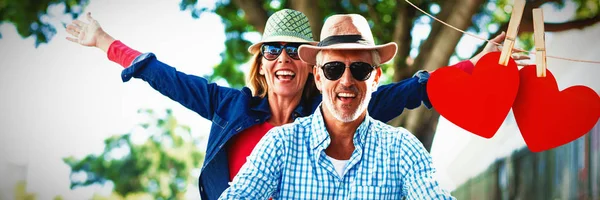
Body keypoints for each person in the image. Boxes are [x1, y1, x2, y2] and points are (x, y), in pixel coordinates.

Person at [66, 9, 522, 199]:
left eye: (292, 50)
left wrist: (476, 66)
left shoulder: (338, 106)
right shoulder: (229, 108)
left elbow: (414, 89)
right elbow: (163, 76)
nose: (282, 57)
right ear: (261, 64)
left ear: (309, 68)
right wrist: (105, 41)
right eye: (271, 50)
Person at [219, 14, 455, 199]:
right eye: (333, 69)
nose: (346, 81)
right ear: (319, 77)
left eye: (360, 69)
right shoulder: (280, 144)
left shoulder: (401, 149)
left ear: (375, 78)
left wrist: (476, 65)